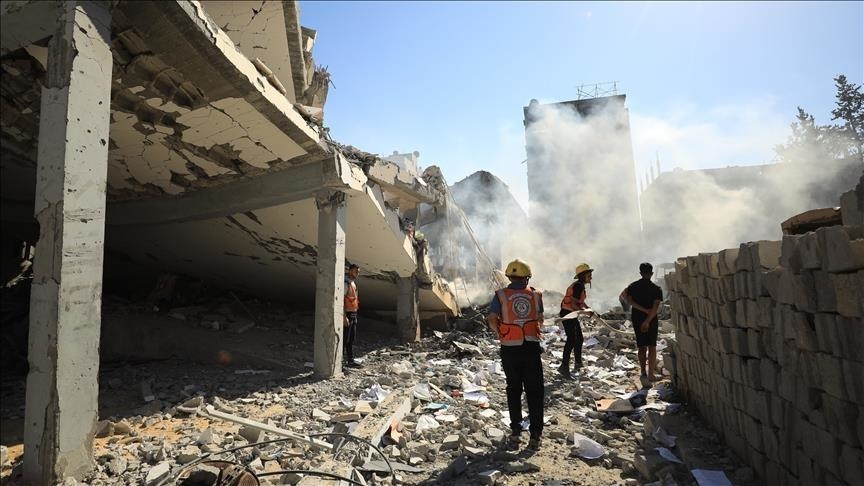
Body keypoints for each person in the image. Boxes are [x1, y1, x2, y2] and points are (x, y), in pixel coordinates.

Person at [486, 259, 545, 450]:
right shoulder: (535, 295)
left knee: (513, 389)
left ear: (509, 277)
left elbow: (492, 318)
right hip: (531, 348)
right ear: (527, 277)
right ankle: (535, 435)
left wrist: (501, 333)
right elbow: (540, 319)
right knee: (535, 391)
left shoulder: (501, 295)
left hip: (510, 349)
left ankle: (516, 432)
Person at [620, 262, 663, 385]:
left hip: (637, 319)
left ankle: (643, 372)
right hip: (652, 320)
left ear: (640, 273)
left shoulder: (632, 286)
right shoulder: (656, 289)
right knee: (652, 346)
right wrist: (647, 320)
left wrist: (642, 311)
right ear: (652, 273)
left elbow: (627, 300)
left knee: (641, 346)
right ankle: (651, 375)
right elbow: (655, 308)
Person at [557, 263, 594, 379]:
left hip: (572, 314)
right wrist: (585, 312)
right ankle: (564, 367)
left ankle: (578, 363)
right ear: (583, 275)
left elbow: (580, 302)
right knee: (572, 339)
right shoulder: (578, 286)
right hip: (568, 314)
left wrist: (588, 309)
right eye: (589, 275)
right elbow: (573, 304)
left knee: (579, 338)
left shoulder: (580, 286)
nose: (591, 277)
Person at [344, 264, 361, 368]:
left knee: (351, 339)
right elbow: (341, 300)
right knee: (345, 339)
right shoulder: (346, 283)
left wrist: (355, 315)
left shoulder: (353, 283)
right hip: (347, 314)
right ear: (350, 271)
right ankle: (339, 362)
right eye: (355, 272)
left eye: (358, 272)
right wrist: (344, 317)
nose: (357, 274)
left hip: (353, 314)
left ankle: (350, 361)